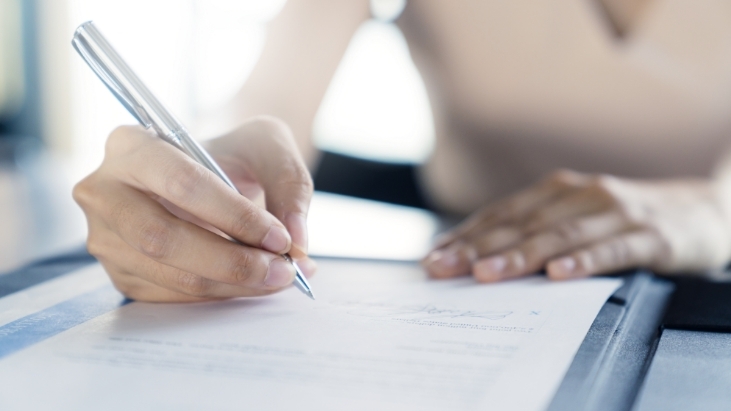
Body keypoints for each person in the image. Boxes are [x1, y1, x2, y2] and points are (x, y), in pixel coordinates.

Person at [73, 0, 731, 302]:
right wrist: (191, 180)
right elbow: (266, 101)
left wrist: (712, 209)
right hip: (464, 271)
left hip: (707, 279)